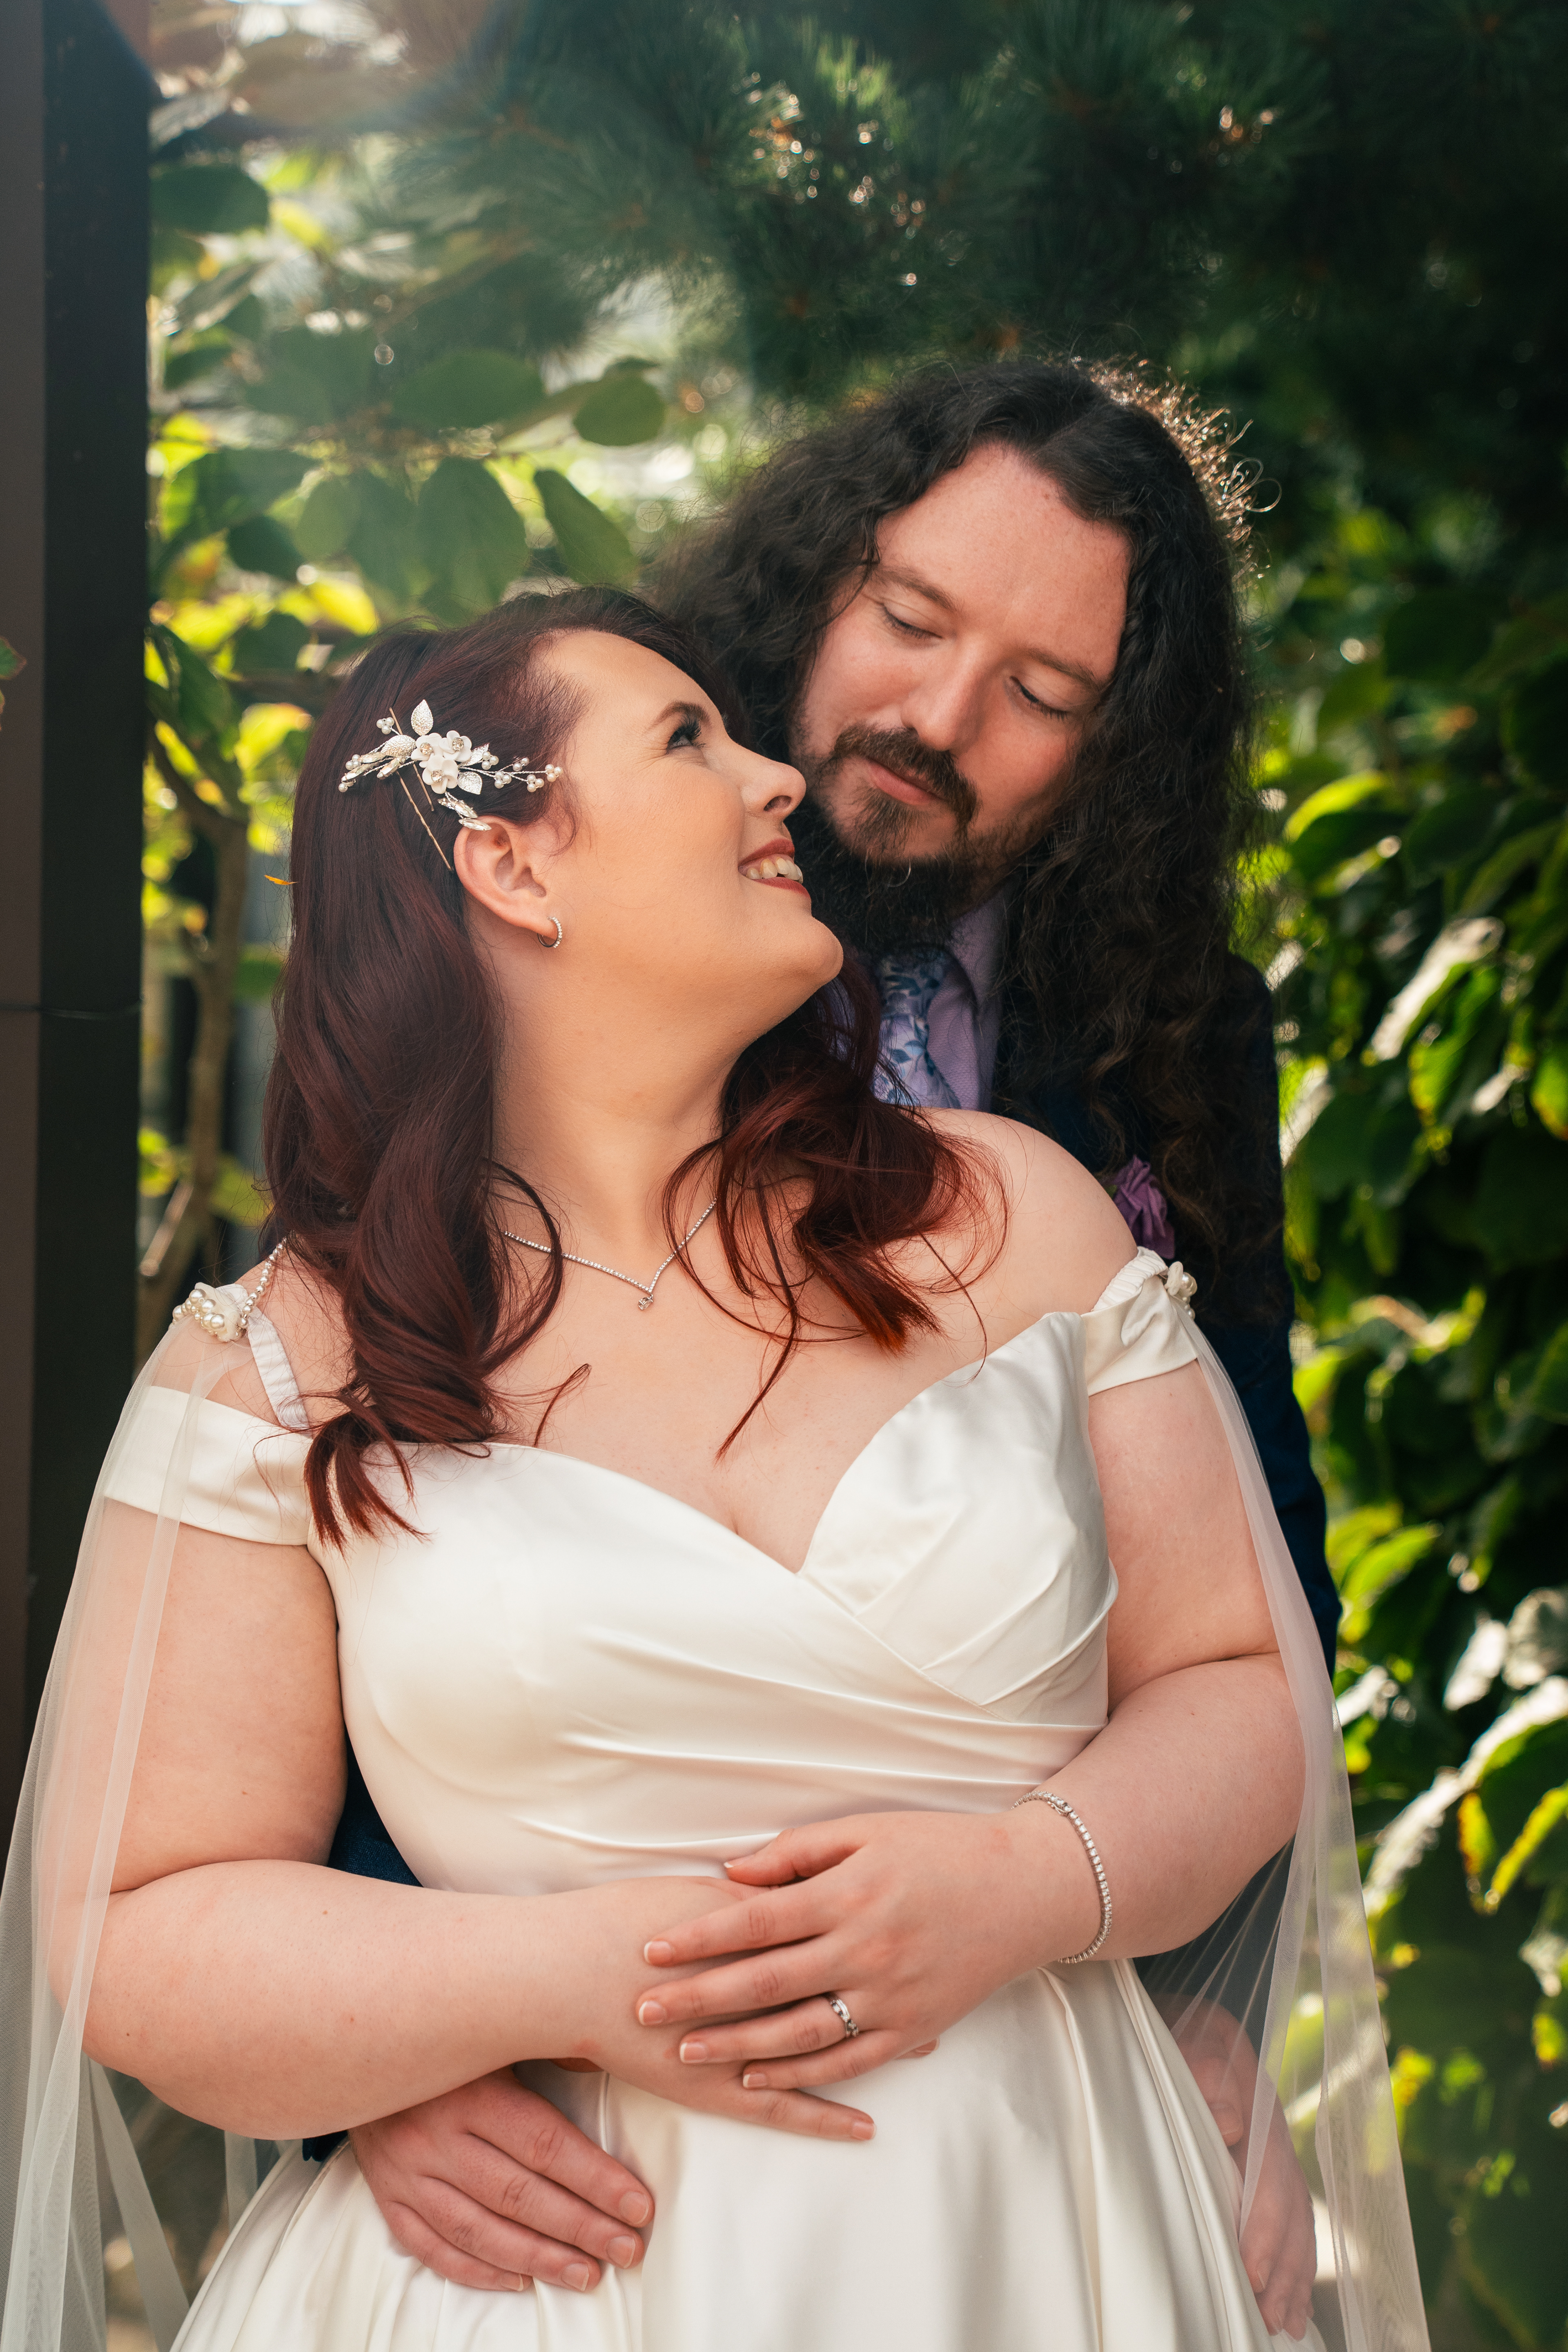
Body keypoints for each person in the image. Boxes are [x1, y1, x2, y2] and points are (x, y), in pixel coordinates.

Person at [1, 590, 1424, 2352]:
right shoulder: (285, 1359)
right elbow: (135, 1924)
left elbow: (1238, 1680)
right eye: (688, 740)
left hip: (1041, 2228)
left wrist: (1026, 1885)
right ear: (516, 871)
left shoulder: (1006, 1217)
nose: (777, 782)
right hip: (546, 2280)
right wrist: (575, 1983)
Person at [329, 363, 1340, 2322]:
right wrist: (370, 2052)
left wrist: (1204, 1998)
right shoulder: (568, 926)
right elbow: (347, 1511)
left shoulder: (1169, 1028)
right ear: (818, 579)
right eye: (913, 621)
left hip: (1028, 2056)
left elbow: (1255, 1563)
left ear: (1118, 755)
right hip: (546, 2103)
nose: (939, 722)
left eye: (1046, 698)